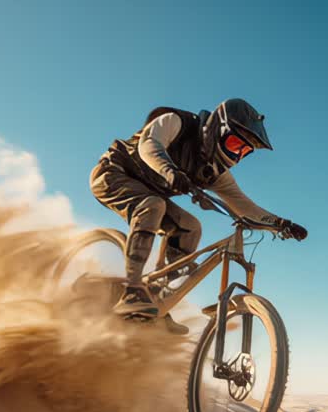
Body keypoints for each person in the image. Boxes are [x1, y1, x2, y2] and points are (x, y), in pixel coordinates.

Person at [89, 98, 308, 325]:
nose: (236, 155)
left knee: (191, 228)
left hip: (149, 194)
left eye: (244, 152)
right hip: (112, 174)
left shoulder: (212, 172)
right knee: (153, 205)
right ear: (217, 130)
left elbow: (244, 205)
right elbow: (149, 144)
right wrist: (170, 171)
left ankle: (154, 300)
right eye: (235, 144)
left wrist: (281, 224)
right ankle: (132, 291)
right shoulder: (178, 123)